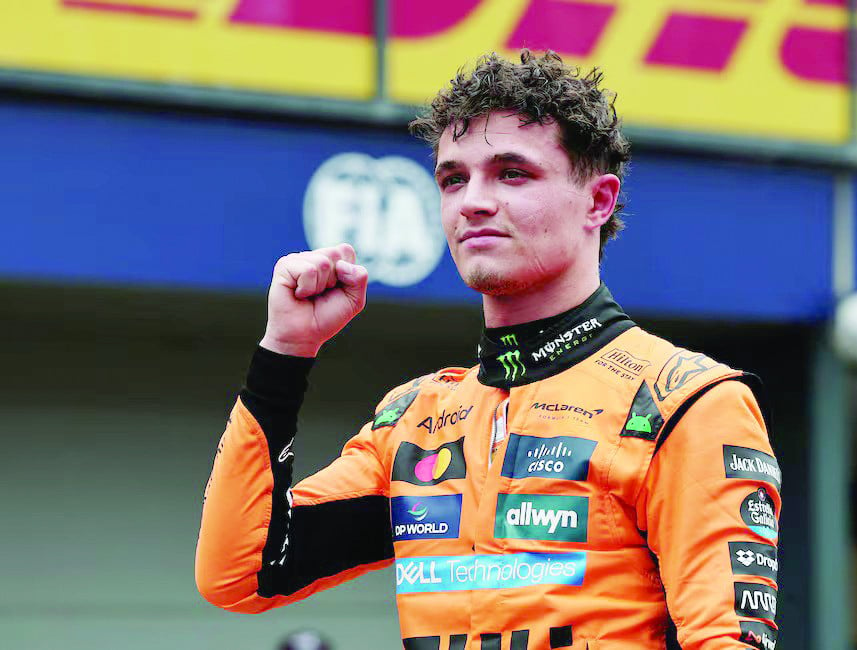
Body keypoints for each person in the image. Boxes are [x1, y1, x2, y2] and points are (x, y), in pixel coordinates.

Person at [196, 50, 781, 650]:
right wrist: (285, 351)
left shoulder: (686, 402)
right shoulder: (414, 421)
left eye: (512, 173)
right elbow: (240, 575)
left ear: (598, 202)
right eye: (453, 178)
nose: (472, 201)